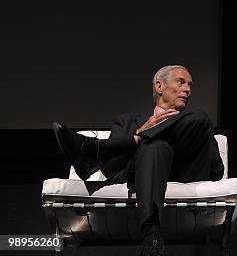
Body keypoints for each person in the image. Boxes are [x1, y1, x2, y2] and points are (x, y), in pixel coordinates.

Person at [52, 65, 224, 256]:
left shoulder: (195, 125)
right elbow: (112, 169)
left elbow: (216, 171)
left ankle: (98, 151)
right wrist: (139, 134)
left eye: (190, 85)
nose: (188, 89)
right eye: (181, 82)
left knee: (201, 118)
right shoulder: (128, 121)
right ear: (159, 87)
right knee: (155, 147)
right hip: (142, 172)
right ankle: (152, 235)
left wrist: (140, 137)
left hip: (184, 173)